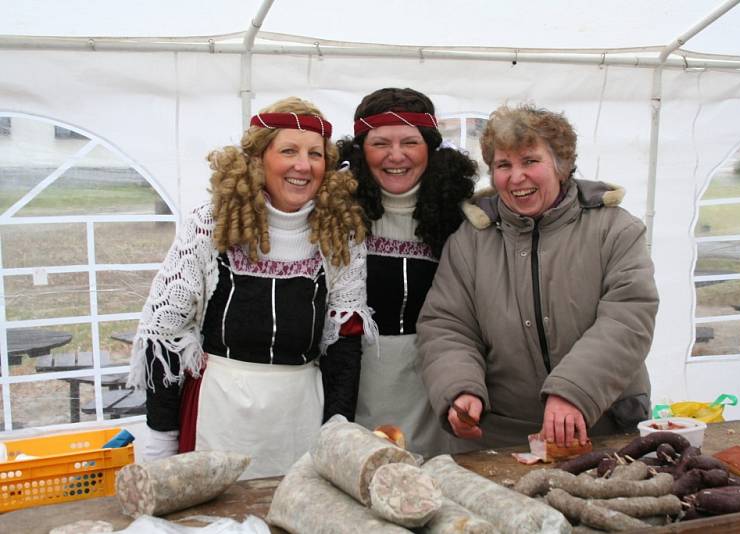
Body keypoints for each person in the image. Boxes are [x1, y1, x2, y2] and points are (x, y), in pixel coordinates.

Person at [128, 96, 375, 478]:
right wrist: (161, 435)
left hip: (301, 415)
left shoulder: (339, 234)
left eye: (315, 154)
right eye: (288, 151)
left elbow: (344, 341)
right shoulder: (211, 226)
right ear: (258, 159)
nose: (302, 165)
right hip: (219, 412)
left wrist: (337, 427)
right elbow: (165, 335)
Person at [417, 103, 658, 451]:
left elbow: (628, 318)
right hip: (500, 437)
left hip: (603, 425)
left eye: (530, 161)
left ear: (561, 165)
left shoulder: (615, 229)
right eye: (503, 165)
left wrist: (574, 391)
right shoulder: (471, 240)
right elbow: (446, 324)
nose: (516, 178)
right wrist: (460, 387)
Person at [337, 88, 477, 457]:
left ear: (430, 149)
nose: (395, 156)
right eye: (381, 143)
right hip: (354, 379)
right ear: (360, 151)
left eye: (410, 143)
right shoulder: (336, 213)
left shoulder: (460, 218)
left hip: (431, 381)